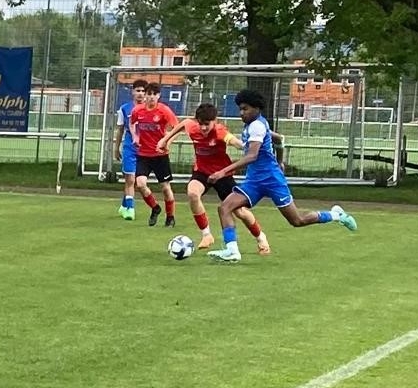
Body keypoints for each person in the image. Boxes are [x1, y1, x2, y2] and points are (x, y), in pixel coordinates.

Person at [208, 89, 357, 263]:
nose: (242, 113)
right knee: (225, 207)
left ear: (257, 108)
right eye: (240, 109)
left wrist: (222, 172)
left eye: (245, 109)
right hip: (255, 181)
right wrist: (280, 161)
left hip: (272, 180)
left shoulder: (257, 126)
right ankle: (232, 251)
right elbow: (279, 139)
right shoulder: (255, 125)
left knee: (297, 220)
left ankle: (336, 215)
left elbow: (252, 156)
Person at [159, 103, 270, 254]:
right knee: (192, 193)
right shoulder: (193, 127)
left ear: (214, 121)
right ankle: (206, 235)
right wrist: (165, 140)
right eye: (201, 124)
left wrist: (248, 146)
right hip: (202, 172)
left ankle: (260, 237)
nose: (203, 128)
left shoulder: (220, 131)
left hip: (222, 174)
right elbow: (184, 124)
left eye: (207, 124)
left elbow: (235, 142)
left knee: (240, 212)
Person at [128, 82, 178, 227]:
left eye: (154, 94)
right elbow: (132, 123)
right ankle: (155, 208)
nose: (151, 97)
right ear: (145, 95)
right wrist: (135, 136)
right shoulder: (138, 110)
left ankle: (170, 216)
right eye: (148, 94)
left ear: (159, 96)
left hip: (160, 155)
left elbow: (177, 128)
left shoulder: (164, 110)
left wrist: (167, 141)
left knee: (165, 188)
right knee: (140, 184)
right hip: (143, 154)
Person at [115, 79, 147, 219]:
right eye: (138, 90)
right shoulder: (124, 108)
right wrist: (116, 148)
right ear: (132, 92)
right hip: (130, 148)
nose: (140, 94)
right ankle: (130, 209)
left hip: (145, 149)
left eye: (143, 91)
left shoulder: (150, 109)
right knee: (130, 178)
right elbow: (120, 130)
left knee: (137, 181)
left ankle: (124, 206)